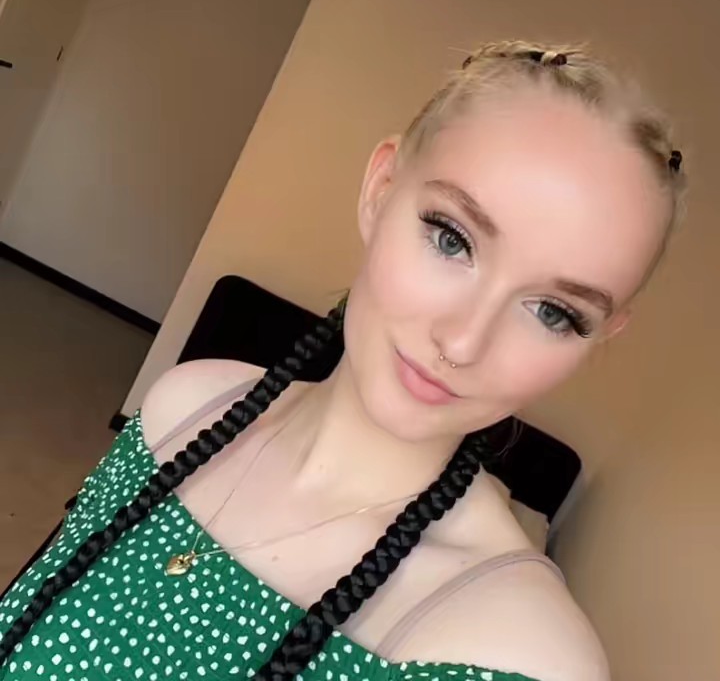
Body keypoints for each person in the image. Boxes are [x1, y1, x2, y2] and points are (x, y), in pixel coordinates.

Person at [0, 40, 686, 681]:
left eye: (554, 312)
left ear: (600, 336)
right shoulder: (182, 409)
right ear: (380, 189)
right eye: (452, 239)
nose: (463, 342)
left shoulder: (523, 652)